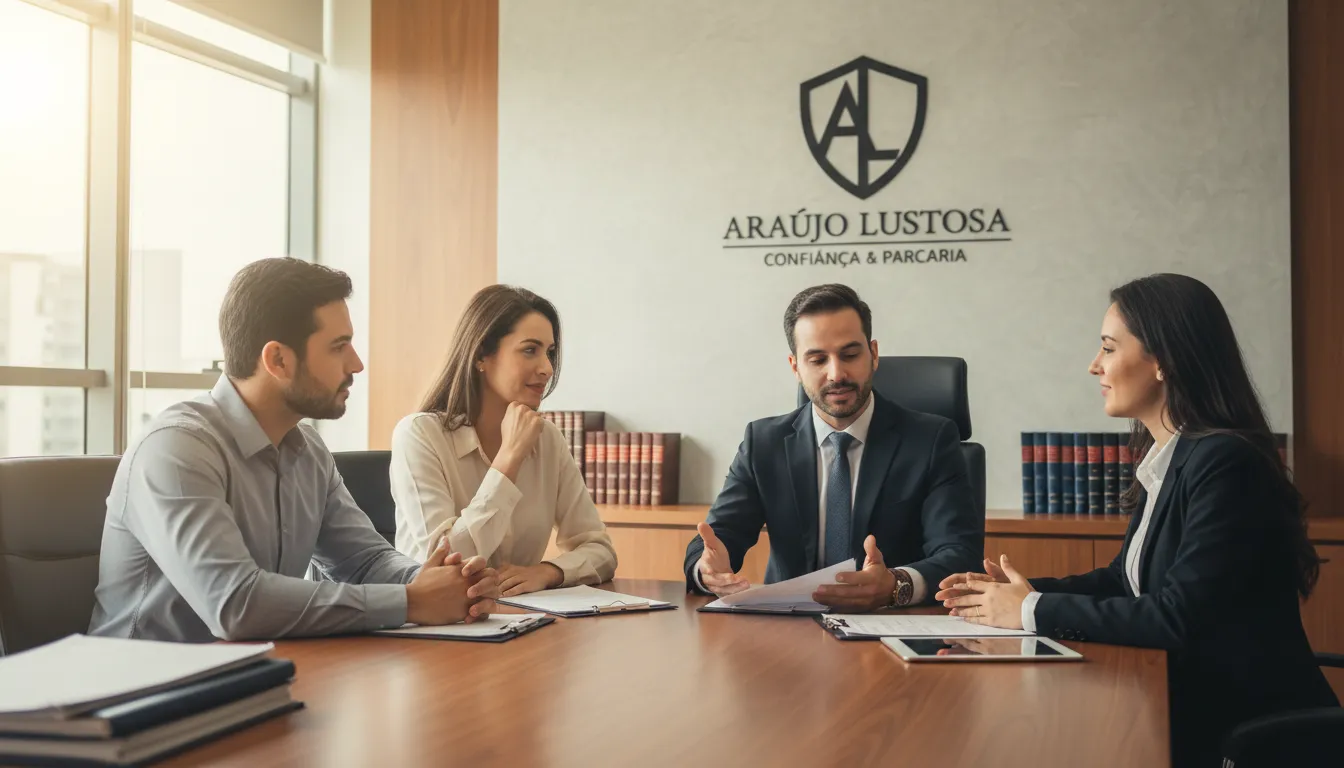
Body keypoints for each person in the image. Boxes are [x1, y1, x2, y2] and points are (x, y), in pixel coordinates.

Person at [936, 273, 1338, 767]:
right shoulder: (1171, 456)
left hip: (1248, 734)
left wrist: (1031, 609)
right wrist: (1015, 594)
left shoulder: (1225, 463)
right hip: (1184, 706)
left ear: (1164, 360)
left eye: (1108, 348)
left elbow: (1177, 617)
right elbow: (1124, 581)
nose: (1094, 365)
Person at [89, 258, 498, 643]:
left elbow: (365, 561)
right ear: (278, 360)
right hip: (142, 687)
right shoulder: (176, 448)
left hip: (253, 673)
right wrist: (411, 601)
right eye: (338, 346)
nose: (356, 364)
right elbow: (235, 604)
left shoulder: (308, 450)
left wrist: (443, 582)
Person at [684, 284, 982, 610]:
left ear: (874, 354)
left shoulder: (930, 440)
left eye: (850, 355)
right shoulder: (764, 443)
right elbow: (717, 537)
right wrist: (706, 569)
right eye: (817, 359)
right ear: (795, 367)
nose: (836, 374)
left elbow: (959, 554)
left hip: (889, 624)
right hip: (789, 627)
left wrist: (897, 584)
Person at [390, 285, 616, 597]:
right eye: (530, 350)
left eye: (549, 353)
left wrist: (548, 572)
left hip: (518, 616)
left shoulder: (548, 439)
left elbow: (600, 549)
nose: (547, 368)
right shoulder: (419, 435)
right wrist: (509, 459)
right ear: (481, 355)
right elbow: (443, 564)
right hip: (439, 619)